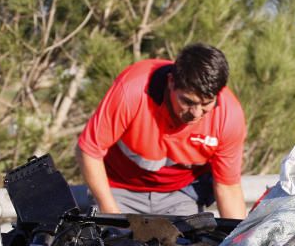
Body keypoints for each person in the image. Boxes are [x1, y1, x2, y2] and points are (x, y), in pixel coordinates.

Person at [76, 43, 247, 218]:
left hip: (179, 196)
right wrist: (112, 215)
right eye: (188, 102)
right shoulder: (132, 91)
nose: (196, 114)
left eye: (206, 105)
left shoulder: (229, 115)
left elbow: (228, 187)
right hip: (118, 190)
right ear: (171, 82)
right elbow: (89, 151)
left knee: (192, 243)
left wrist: (238, 243)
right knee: (113, 242)